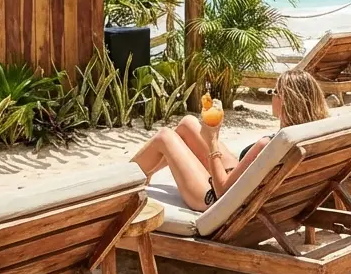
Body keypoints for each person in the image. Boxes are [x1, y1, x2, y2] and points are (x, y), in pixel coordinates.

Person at [130, 70, 328, 211]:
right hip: (243, 183)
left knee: (165, 136)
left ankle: (123, 185)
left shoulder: (267, 145)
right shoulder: (313, 135)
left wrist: (213, 140)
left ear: (285, 100)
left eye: (274, 92)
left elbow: (223, 190)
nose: (271, 97)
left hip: (217, 198)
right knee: (188, 123)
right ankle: (145, 175)